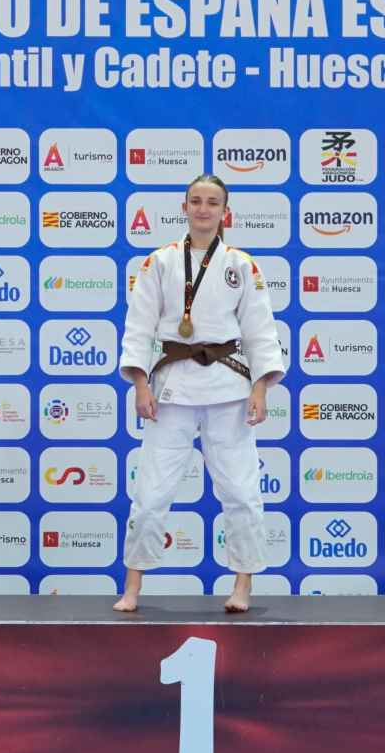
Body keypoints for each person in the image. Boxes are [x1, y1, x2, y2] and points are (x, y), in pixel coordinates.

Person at [118, 174, 284, 614]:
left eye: (212, 202)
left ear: (224, 211)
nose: (203, 209)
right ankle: (132, 587)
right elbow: (139, 326)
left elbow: (260, 330)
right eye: (196, 201)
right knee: (151, 494)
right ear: (184, 207)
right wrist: (140, 383)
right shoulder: (159, 262)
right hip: (172, 387)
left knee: (242, 493)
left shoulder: (241, 264)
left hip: (228, 388)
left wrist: (261, 387)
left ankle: (243, 585)